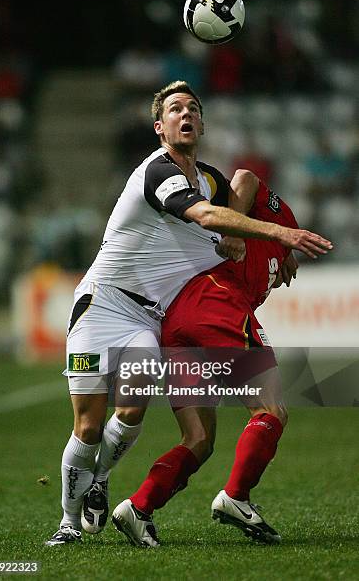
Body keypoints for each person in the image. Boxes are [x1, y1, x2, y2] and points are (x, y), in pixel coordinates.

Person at [45, 80, 332, 546]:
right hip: (101, 304)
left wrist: (257, 234)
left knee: (133, 409)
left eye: (194, 109)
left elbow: (242, 185)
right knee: (89, 425)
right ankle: (67, 522)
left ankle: (100, 481)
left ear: (201, 123)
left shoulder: (208, 178)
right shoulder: (158, 172)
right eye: (176, 109)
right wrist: (282, 235)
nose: (186, 115)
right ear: (160, 127)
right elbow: (204, 215)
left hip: (151, 318)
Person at [110, 169, 305, 547]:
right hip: (214, 302)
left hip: (180, 322)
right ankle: (236, 497)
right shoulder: (281, 217)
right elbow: (246, 179)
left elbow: (268, 240)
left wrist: (287, 252)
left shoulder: (281, 250)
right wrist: (243, 232)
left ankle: (138, 507)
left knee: (198, 439)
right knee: (271, 410)